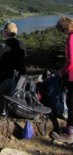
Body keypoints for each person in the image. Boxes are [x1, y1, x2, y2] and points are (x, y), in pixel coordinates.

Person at [51, 16, 73, 144]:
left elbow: (70, 60)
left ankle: (70, 133)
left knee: (71, 104)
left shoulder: (71, 38)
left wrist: (62, 72)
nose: (63, 33)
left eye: (62, 31)